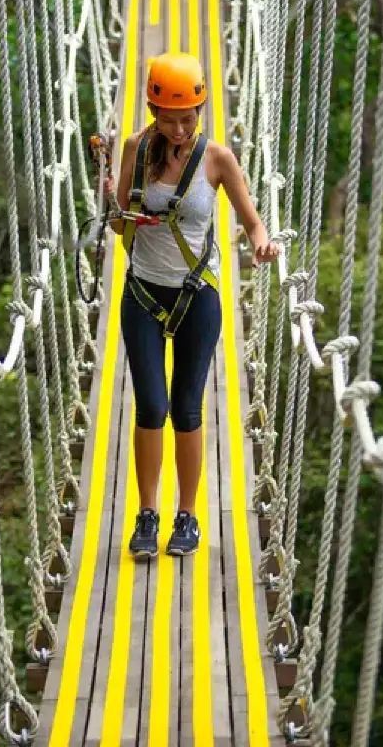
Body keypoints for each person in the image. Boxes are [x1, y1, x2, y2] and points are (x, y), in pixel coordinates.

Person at [105, 50, 280, 558]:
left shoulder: (218, 158)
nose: (181, 130)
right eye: (171, 120)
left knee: (185, 410)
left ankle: (187, 515)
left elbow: (252, 220)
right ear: (154, 112)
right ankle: (146, 513)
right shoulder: (136, 149)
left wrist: (262, 243)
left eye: (190, 119)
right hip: (143, 293)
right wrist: (116, 207)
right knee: (150, 408)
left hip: (196, 296)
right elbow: (119, 226)